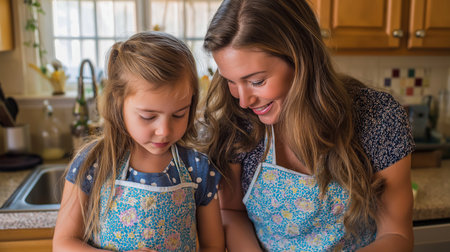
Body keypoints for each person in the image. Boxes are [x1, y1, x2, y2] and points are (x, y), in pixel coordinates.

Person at [200, 0, 415, 251]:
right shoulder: (238, 121)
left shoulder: (377, 117)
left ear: (302, 60)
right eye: (231, 81)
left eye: (257, 81)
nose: (244, 100)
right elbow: (230, 211)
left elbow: (397, 235)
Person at [53, 31, 225, 252]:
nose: (164, 131)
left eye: (179, 114)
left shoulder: (198, 168)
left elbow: (214, 246)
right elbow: (63, 243)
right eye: (148, 117)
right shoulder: (94, 162)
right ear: (118, 101)